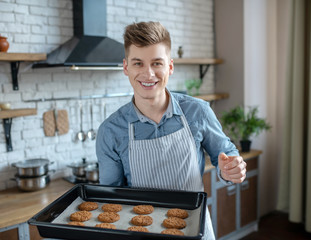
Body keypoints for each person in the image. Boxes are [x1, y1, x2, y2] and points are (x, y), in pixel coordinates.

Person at [96, 21, 246, 240]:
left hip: (197, 230)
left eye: (157, 63)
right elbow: (112, 198)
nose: (148, 74)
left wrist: (231, 168)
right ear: (126, 67)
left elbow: (225, 154)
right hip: (142, 234)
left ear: (170, 67)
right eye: (138, 63)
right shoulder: (111, 131)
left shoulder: (198, 111)